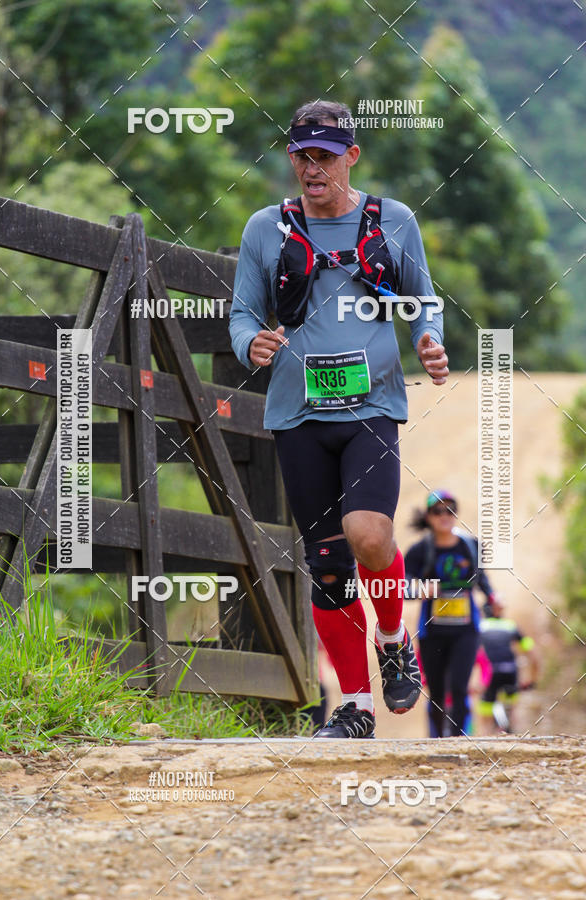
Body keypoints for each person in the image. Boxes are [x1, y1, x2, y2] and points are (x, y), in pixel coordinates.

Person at [229, 99, 448, 738]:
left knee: (370, 535)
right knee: (326, 564)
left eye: (324, 156)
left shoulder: (393, 222)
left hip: (372, 406)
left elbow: (422, 300)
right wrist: (250, 344)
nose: (311, 167)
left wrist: (428, 340)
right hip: (297, 414)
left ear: (352, 156)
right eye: (302, 155)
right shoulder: (265, 229)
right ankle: (354, 707)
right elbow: (243, 312)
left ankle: (392, 637)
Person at [405, 490, 495, 737]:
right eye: (438, 511)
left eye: (450, 510)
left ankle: (457, 742)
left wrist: (493, 598)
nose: (445, 516)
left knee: (459, 688)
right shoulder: (419, 551)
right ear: (428, 516)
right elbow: (402, 586)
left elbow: (482, 580)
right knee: (436, 693)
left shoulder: (471, 546)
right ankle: (437, 742)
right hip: (431, 632)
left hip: (466, 631)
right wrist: (421, 588)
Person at [477, 594, 539, 734]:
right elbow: (533, 655)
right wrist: (532, 680)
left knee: (485, 717)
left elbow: (474, 657)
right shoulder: (511, 626)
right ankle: (512, 737)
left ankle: (486, 745)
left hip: (490, 675)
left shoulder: (479, 627)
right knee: (512, 711)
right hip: (510, 672)